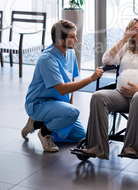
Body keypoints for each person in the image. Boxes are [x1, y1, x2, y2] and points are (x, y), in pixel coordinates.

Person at [80, 18, 138, 159]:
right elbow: (106, 60)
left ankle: (131, 147)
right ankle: (96, 147)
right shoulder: (126, 48)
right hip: (121, 95)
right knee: (98, 96)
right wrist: (123, 39)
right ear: (130, 34)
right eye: (136, 30)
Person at [21, 19, 104, 153]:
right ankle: (44, 132)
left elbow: (71, 79)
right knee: (73, 112)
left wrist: (69, 105)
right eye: (72, 37)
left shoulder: (70, 52)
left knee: (81, 136)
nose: (76, 40)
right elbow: (62, 88)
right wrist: (91, 78)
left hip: (57, 104)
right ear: (60, 40)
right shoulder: (47, 59)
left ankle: (36, 123)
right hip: (38, 104)